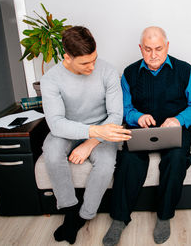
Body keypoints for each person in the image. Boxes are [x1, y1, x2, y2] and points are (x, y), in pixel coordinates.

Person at [103, 26, 191, 245]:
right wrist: (137, 117)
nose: (153, 55)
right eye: (148, 49)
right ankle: (120, 220)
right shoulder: (130, 73)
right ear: (140, 48)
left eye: (158, 49)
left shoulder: (185, 70)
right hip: (142, 129)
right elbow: (125, 108)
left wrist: (178, 119)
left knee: (177, 158)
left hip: (175, 128)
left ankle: (164, 216)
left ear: (167, 46)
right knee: (129, 159)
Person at [40, 26, 131, 244]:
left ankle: (84, 215)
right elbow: (56, 124)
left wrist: (90, 142)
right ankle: (70, 211)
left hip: (101, 129)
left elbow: (116, 115)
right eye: (84, 63)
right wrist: (92, 131)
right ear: (67, 57)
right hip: (67, 129)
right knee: (51, 153)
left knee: (107, 164)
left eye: (94, 59)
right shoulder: (51, 79)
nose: (92, 66)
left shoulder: (108, 71)